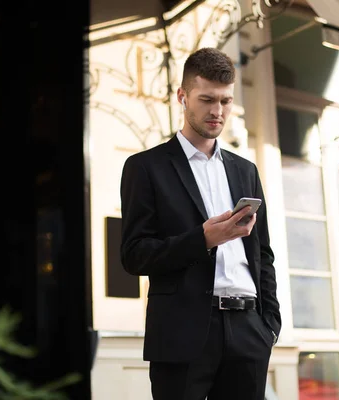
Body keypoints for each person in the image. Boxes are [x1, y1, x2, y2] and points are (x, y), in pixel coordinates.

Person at [119, 47, 281, 400]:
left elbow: (262, 253)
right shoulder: (146, 167)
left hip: (249, 329)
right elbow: (134, 255)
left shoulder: (245, 170)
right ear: (182, 96)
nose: (217, 111)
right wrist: (203, 239)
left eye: (225, 101)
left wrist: (269, 324)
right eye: (207, 99)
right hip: (182, 331)